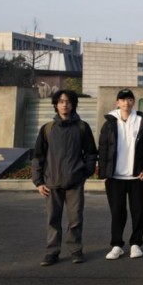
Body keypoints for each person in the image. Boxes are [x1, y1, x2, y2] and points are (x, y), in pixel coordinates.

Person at [32, 89, 98, 267]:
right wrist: (39, 182)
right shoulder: (47, 129)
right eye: (61, 101)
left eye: (68, 101)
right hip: (51, 183)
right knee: (53, 220)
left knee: (75, 219)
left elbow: (91, 153)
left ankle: (76, 250)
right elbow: (38, 156)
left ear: (73, 104)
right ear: (55, 104)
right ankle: (52, 252)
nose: (64, 105)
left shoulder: (82, 127)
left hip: (74, 182)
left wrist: (85, 172)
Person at [98, 88, 143, 260]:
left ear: (133, 102)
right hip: (115, 177)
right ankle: (117, 245)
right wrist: (104, 171)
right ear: (117, 102)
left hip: (137, 176)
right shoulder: (109, 123)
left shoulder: (142, 122)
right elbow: (103, 148)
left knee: (138, 212)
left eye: (129, 99)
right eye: (123, 100)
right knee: (117, 212)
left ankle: (136, 244)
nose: (126, 103)